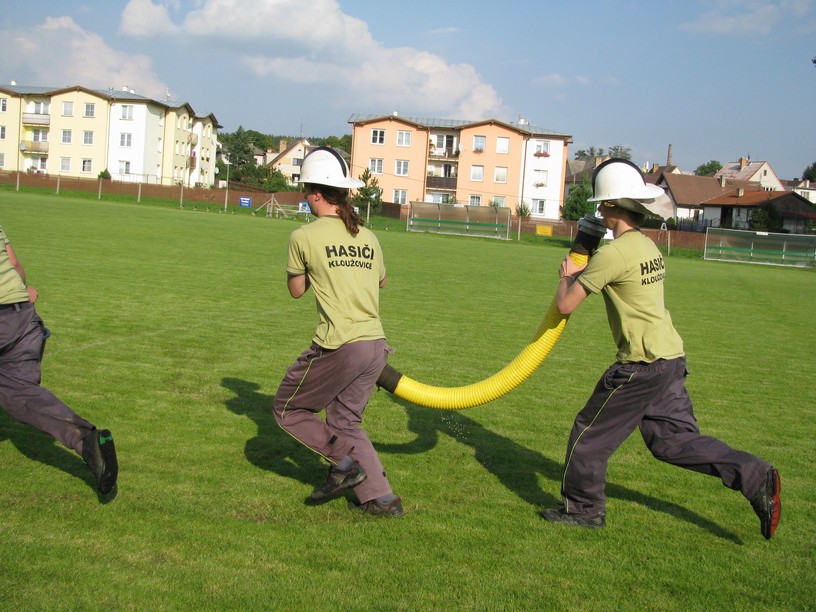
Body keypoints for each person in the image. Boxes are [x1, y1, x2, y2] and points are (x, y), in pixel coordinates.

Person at [540, 159, 780, 539]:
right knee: (673, 442)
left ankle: (584, 510)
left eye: (602, 206)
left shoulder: (613, 254)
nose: (599, 212)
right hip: (670, 359)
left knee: (589, 435)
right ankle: (755, 475)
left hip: (640, 364)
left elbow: (566, 304)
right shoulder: (646, 246)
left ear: (614, 207)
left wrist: (567, 276)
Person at [272, 147, 402, 517]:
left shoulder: (304, 235)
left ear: (315, 193)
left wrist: (316, 269)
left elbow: (296, 291)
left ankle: (344, 465)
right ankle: (382, 499)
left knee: (287, 409)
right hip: (375, 344)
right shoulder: (368, 235)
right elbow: (381, 281)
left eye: (305, 193)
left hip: (340, 344)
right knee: (345, 421)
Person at [0, 224, 117, 497]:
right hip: (21, 314)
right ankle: (87, 440)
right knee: (20, 393)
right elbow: (15, 264)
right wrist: (22, 294)